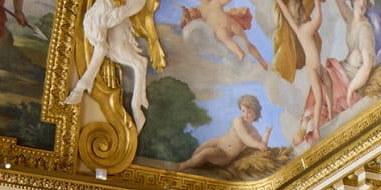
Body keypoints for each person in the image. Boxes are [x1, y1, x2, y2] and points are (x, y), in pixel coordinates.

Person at [64, 0, 166, 135]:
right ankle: (81, 87)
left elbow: (117, 16)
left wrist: (114, 15)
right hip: (104, 12)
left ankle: (136, 105)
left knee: (110, 50)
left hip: (111, 14)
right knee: (104, 46)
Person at [273, 0, 332, 147]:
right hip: (312, 68)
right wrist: (317, 4)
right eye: (303, 11)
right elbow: (318, 19)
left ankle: (331, 114)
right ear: (299, 15)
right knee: (318, 99)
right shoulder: (304, 28)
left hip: (317, 66)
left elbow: (287, 15)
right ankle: (317, 131)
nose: (306, 13)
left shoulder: (299, 28)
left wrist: (280, 3)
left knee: (329, 84)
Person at [179, 94, 271, 171]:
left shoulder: (254, 133)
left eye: (249, 112)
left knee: (206, 152)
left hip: (225, 154)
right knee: (200, 149)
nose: (245, 115)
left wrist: (267, 134)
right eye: (243, 111)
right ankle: (192, 164)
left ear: (256, 114)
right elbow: (244, 136)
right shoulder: (238, 120)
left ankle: (183, 166)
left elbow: (261, 144)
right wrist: (258, 145)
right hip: (218, 141)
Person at [179, 0, 268, 69]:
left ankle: (262, 62)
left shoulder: (215, 2)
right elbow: (186, 24)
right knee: (224, 38)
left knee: (248, 44)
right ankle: (239, 53)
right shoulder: (198, 10)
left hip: (231, 23)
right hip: (220, 29)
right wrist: (186, 17)